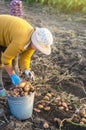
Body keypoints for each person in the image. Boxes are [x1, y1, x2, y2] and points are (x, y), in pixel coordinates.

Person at [0, 14, 53, 97]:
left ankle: (13, 87)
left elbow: (26, 57)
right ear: (35, 41)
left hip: (7, 35)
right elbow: (6, 59)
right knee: (2, 62)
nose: (39, 49)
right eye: (39, 47)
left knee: (14, 60)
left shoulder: (32, 41)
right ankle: (0, 89)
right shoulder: (20, 42)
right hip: (2, 30)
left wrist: (26, 69)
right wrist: (12, 75)